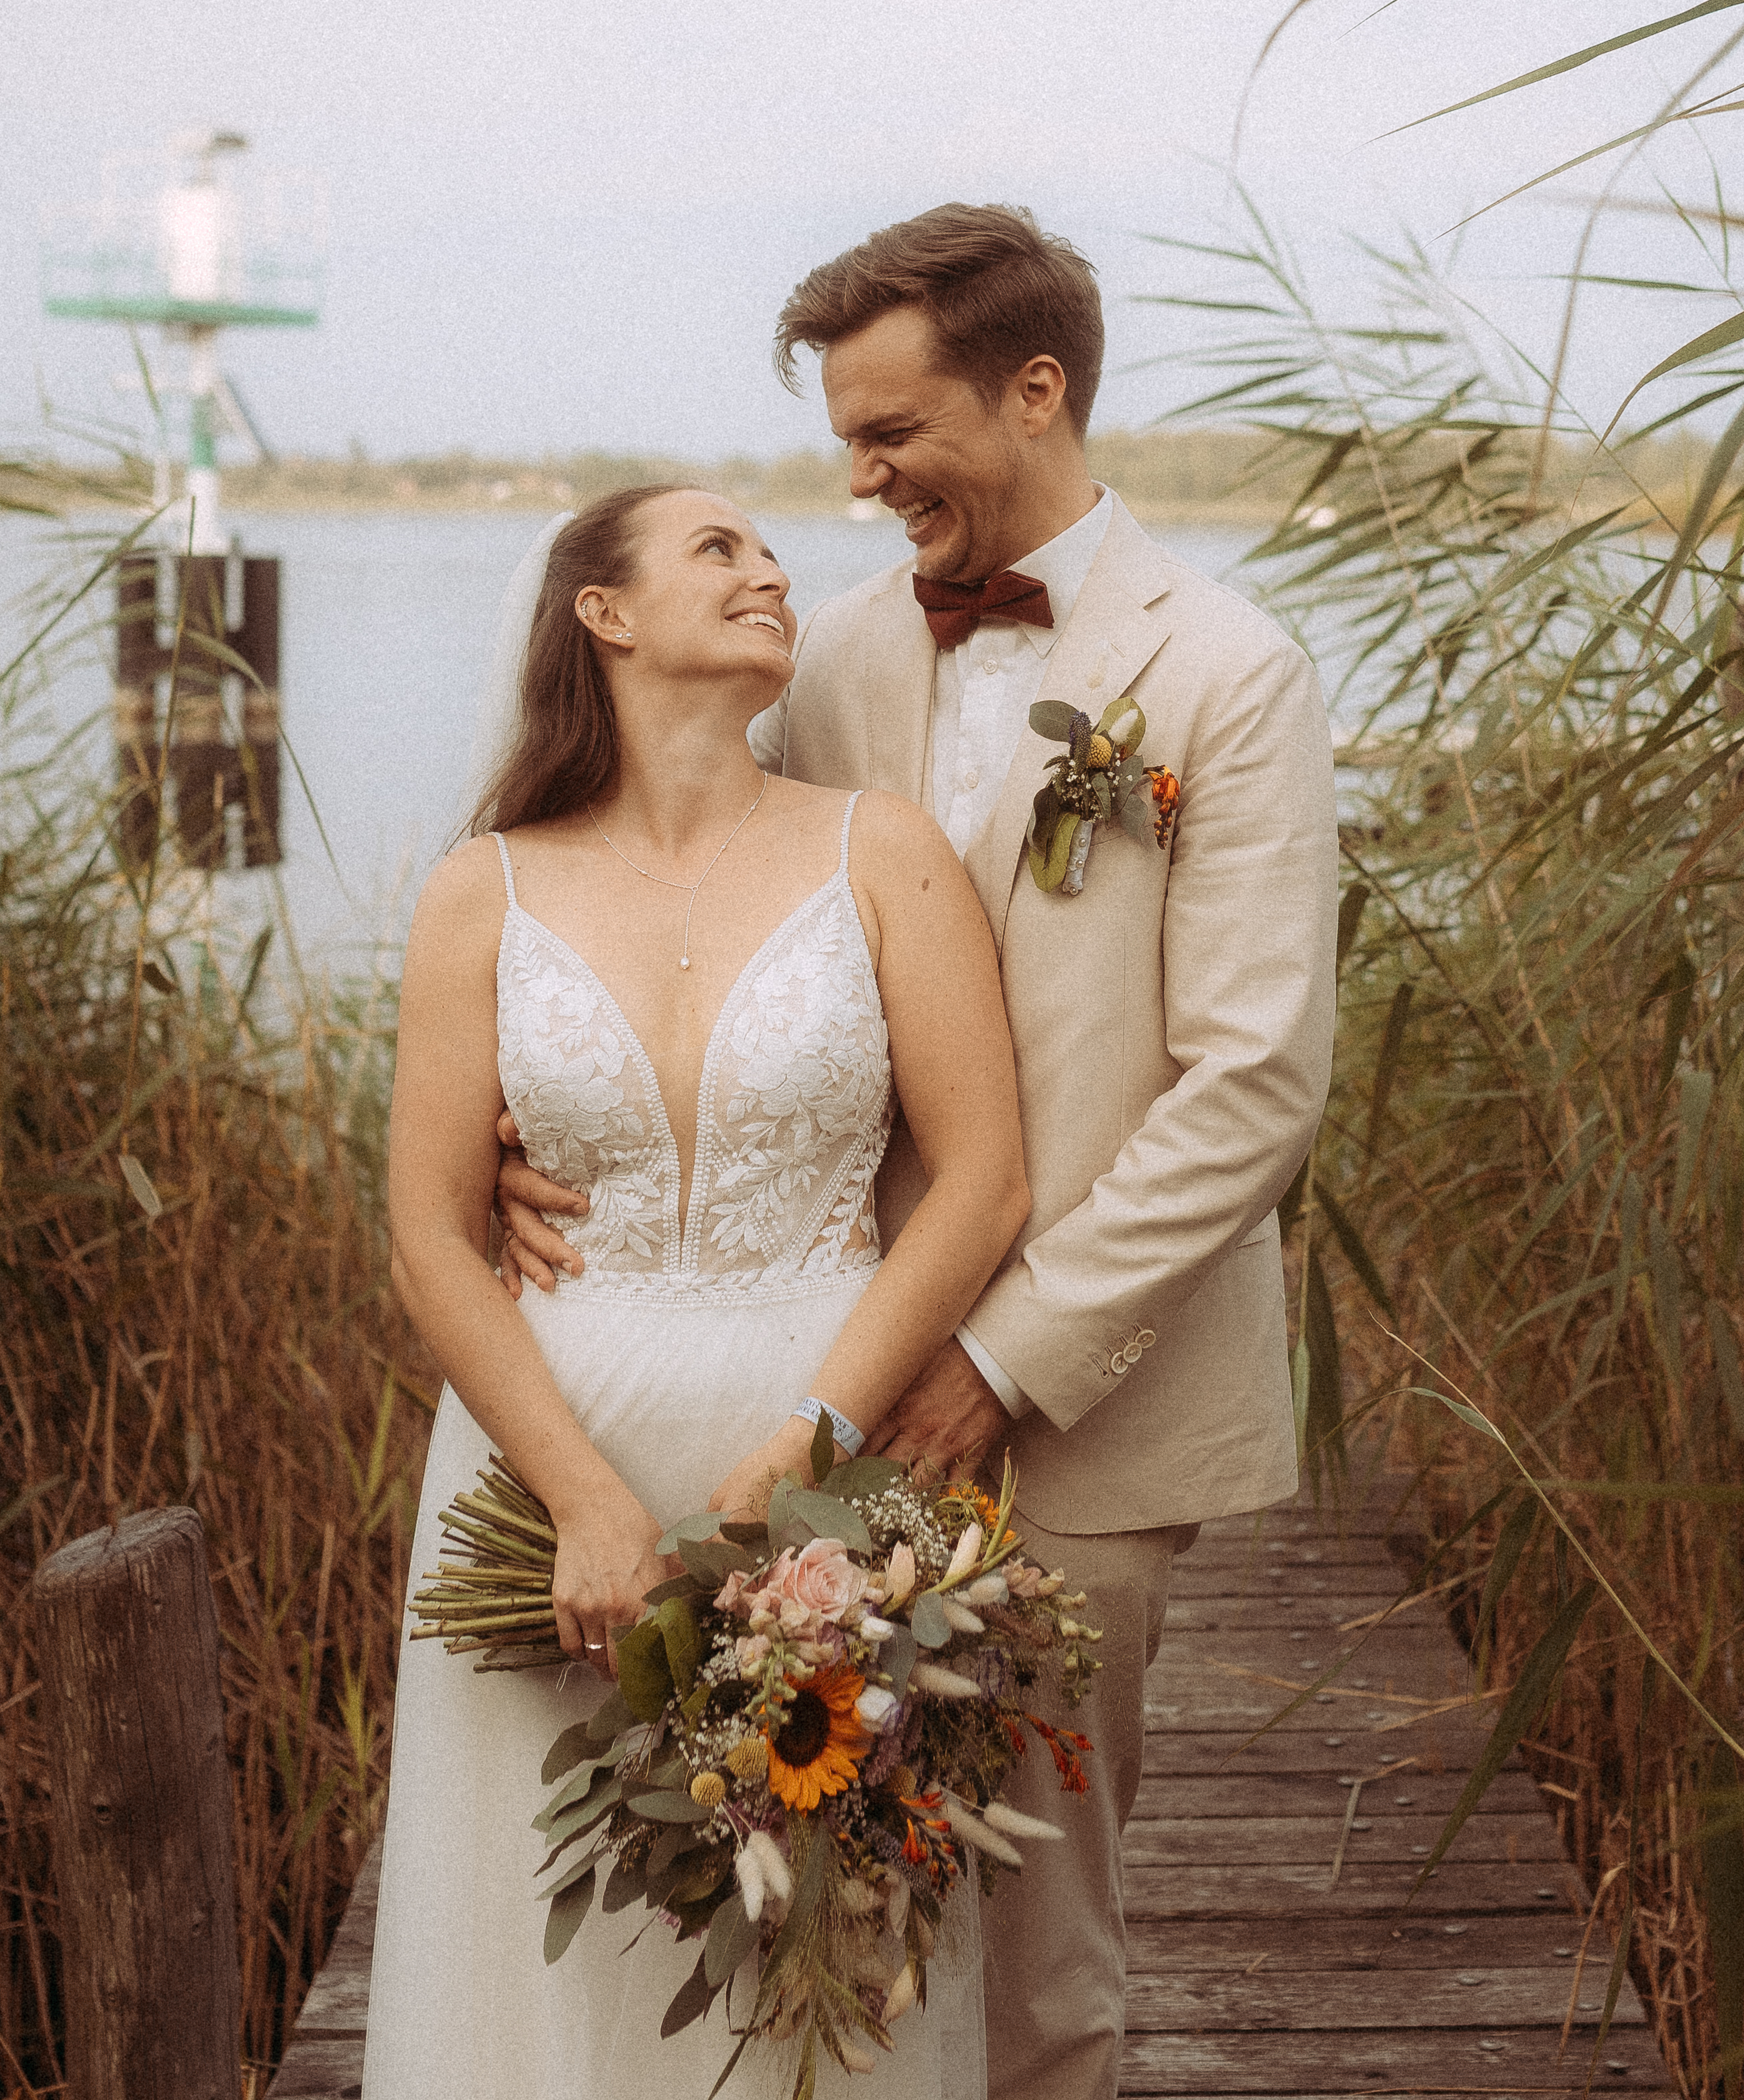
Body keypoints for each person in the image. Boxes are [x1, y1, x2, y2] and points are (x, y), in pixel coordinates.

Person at [496, 203, 1340, 2100]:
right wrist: (504, 1130)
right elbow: (684, 919)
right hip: (824, 1377)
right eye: (842, 436)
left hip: (1087, 1414)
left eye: (888, 433)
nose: (854, 478)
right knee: (818, 1913)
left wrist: (1002, 1358)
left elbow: (1252, 1085)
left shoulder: (1225, 671)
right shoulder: (835, 659)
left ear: (1032, 392)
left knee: (1042, 1946)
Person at [361, 483, 1031, 2100]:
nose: (768, 567)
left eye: (771, 549)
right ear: (602, 612)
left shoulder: (881, 849)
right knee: (544, 1933)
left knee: (819, 1944)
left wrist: (820, 1434)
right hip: (543, 1468)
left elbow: (984, 1179)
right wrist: (579, 1498)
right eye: (716, 547)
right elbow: (430, 1236)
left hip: (819, 1454)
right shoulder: (482, 890)